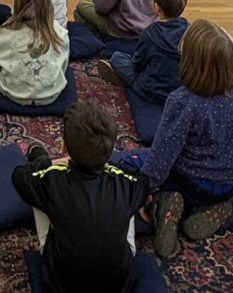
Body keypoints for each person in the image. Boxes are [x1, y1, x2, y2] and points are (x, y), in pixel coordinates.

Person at [119, 20, 233, 258]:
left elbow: (163, 152)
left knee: (128, 162)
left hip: (187, 181)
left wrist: (144, 187)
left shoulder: (183, 100)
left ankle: (161, 205)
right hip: (226, 185)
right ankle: (216, 207)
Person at [11, 103, 149, 293]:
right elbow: (142, 180)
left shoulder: (54, 179)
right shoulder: (122, 182)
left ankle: (39, 156)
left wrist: (51, 162)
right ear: (109, 152)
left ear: (64, 146)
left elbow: (19, 175)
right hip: (118, 285)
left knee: (39, 187)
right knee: (127, 194)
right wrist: (107, 164)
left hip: (62, 284)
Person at [0, 0, 69, 106]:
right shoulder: (57, 30)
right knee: (64, 46)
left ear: (18, 1)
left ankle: (9, 82)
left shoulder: (6, 32)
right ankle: (55, 79)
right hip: (51, 95)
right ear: (47, 1)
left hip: (15, 96)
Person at [98, 0, 190, 105]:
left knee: (117, 57)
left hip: (150, 91)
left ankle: (127, 81)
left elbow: (137, 65)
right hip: (180, 90)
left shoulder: (150, 33)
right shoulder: (190, 30)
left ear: (157, 8)